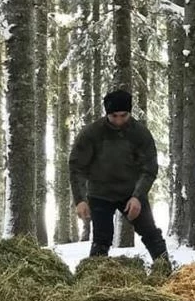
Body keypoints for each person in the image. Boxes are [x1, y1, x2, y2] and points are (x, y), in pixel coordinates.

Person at [69, 89, 170, 273]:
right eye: (114, 116)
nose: (119, 120)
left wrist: (138, 197)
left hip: (130, 193)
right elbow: (76, 167)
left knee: (151, 234)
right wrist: (80, 200)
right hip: (100, 194)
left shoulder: (140, 134)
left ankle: (167, 273)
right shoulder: (92, 134)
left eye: (123, 115)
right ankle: (92, 281)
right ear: (107, 113)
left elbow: (149, 169)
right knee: (101, 240)